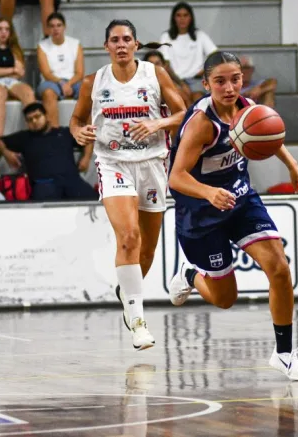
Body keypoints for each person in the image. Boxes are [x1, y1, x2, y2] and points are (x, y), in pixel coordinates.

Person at [166, 51, 298, 382]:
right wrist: (207, 192)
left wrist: (293, 166)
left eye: (234, 79)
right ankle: (191, 275)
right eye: (219, 81)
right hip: (200, 211)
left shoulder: (248, 109)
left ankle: (284, 354)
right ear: (206, 84)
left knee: (279, 267)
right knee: (225, 299)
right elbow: (175, 177)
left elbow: (269, 135)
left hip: (239, 198)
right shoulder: (202, 124)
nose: (229, 87)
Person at [70, 20, 187, 350]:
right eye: (114, 40)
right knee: (129, 236)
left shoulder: (154, 75)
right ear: (106, 46)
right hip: (113, 163)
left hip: (152, 164)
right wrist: (77, 132)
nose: (121, 45)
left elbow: (183, 113)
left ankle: (126, 293)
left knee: (146, 250)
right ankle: (137, 321)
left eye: (127, 39)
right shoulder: (93, 82)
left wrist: (158, 122)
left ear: (136, 44)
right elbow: (76, 120)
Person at [0, 102, 96, 201]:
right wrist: (6, 153)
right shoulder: (24, 137)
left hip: (72, 181)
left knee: (96, 202)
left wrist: (86, 158)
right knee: (43, 209)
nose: (34, 121)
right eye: (30, 120)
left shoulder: (64, 133)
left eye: (37, 116)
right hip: (44, 183)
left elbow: (88, 137)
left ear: (46, 116)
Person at [0, 16, 36, 138]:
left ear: (10, 32)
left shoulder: (14, 49)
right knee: (0, 93)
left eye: (6, 29)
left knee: (28, 92)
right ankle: (0, 137)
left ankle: (34, 132)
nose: (3, 32)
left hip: (12, 82)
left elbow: (20, 73)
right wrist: (11, 69)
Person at [158, 1, 218, 102]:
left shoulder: (199, 35)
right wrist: (181, 84)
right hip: (175, 80)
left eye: (185, 15)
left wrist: (204, 70)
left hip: (197, 80)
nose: (182, 19)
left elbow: (215, 55)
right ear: (174, 18)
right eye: (178, 15)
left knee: (198, 104)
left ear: (191, 18)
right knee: (183, 104)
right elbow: (166, 66)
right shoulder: (166, 37)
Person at [37, 12, 84, 127]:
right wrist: (61, 83)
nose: (55, 29)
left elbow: (80, 72)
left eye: (59, 25)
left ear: (64, 27)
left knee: (88, 91)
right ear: (47, 29)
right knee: (48, 93)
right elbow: (46, 73)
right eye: (52, 26)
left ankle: (85, 136)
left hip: (73, 80)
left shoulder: (75, 44)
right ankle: (55, 135)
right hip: (51, 81)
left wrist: (68, 83)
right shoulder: (42, 46)